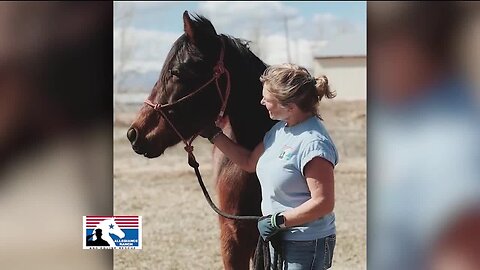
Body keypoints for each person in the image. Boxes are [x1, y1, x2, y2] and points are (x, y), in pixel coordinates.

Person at [201, 63, 338, 269]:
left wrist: (278, 221)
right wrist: (213, 134)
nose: (262, 101)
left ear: (289, 106)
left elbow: (323, 203)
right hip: (279, 238)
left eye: (268, 98)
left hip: (306, 243)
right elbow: (249, 162)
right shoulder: (279, 131)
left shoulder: (313, 143)